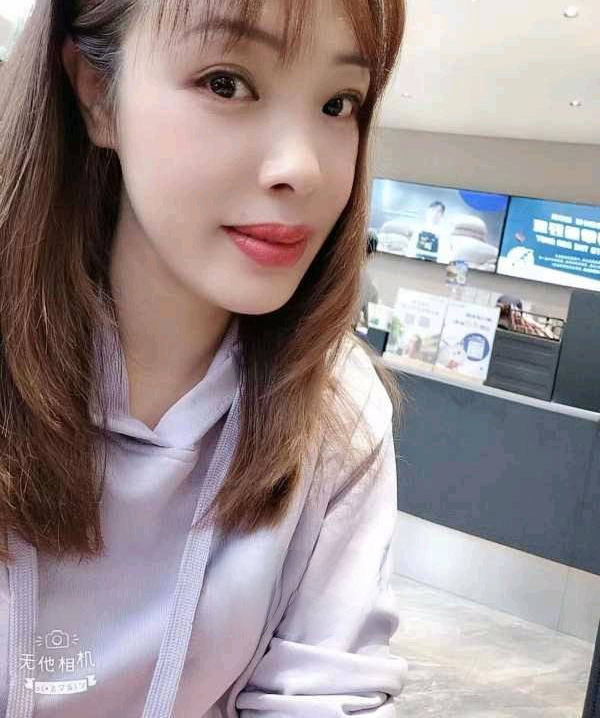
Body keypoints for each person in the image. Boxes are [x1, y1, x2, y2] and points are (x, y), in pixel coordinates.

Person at [0, 1, 408, 716]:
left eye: (338, 103)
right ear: (97, 93)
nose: (301, 169)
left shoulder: (336, 408)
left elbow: (324, 693)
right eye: (226, 83)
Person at [354, 229, 380, 328]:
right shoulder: (371, 288)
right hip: (343, 332)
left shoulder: (331, 269)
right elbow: (371, 323)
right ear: (372, 255)